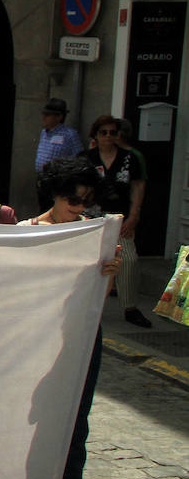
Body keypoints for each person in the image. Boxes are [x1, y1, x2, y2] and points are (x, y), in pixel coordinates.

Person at [1, 157, 122, 479]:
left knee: (77, 413)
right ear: (54, 192)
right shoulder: (27, 230)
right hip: (35, 336)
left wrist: (109, 274)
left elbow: (103, 296)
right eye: (72, 197)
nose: (78, 206)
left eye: (86, 199)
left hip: (81, 335)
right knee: (25, 412)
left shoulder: (94, 233)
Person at [83, 115, 151, 328]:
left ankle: (130, 307)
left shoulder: (129, 158)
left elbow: (138, 186)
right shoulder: (86, 158)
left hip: (119, 218)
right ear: (95, 135)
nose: (109, 136)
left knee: (129, 260)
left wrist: (134, 214)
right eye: (104, 132)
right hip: (90, 218)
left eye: (113, 132)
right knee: (89, 263)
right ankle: (85, 304)